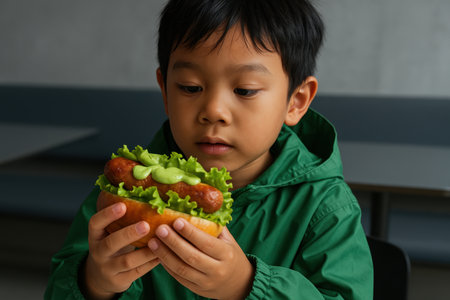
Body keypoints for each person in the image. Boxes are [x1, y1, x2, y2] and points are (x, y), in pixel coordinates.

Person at [45, 0, 373, 299]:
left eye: (245, 90)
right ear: (164, 91)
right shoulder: (123, 192)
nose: (213, 110)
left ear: (296, 101)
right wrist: (95, 283)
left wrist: (247, 286)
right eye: (190, 87)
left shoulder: (327, 208)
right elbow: (58, 288)